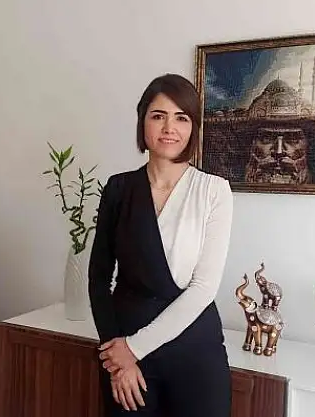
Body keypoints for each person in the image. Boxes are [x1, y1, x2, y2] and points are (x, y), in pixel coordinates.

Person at [88, 73, 234, 417]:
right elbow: (98, 278)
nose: (169, 128)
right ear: (143, 123)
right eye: (158, 116)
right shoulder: (119, 189)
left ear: (193, 127)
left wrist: (134, 348)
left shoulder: (214, 191)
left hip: (194, 351)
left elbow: (203, 288)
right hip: (127, 350)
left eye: (181, 118)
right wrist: (117, 358)